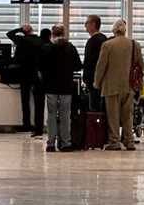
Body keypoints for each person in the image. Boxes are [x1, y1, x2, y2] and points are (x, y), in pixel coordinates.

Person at [94, 19, 144, 151]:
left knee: (113, 116)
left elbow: (101, 66)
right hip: (129, 85)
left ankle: (114, 141)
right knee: (128, 115)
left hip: (111, 86)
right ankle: (129, 141)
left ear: (114, 30)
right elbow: (141, 66)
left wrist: (97, 82)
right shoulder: (134, 44)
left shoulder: (107, 45)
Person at [40, 24, 82, 152]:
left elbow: (40, 66)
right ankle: (65, 142)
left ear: (52, 34)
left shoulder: (47, 48)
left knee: (51, 115)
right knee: (65, 115)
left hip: (51, 87)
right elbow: (78, 66)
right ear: (64, 33)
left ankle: (51, 143)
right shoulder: (70, 48)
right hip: (66, 87)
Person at [7, 24, 45, 136]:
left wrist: (20, 30)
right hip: (37, 74)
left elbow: (9, 34)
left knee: (25, 100)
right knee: (38, 103)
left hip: (24, 74)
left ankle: (26, 124)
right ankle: (38, 126)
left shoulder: (22, 40)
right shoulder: (40, 40)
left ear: (24, 32)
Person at [83, 15, 108, 109]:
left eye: (87, 23)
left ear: (93, 24)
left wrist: (86, 78)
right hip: (104, 80)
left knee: (94, 109)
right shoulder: (104, 39)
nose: (85, 26)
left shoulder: (93, 41)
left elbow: (90, 62)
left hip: (93, 81)